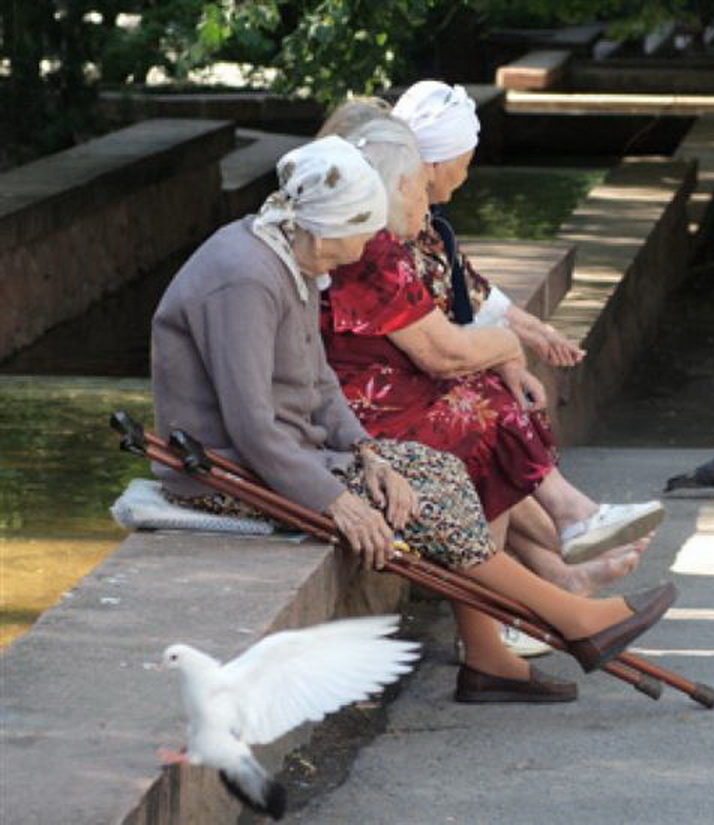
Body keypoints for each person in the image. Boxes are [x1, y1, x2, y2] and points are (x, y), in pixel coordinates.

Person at [150, 135, 677, 702]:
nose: (373, 243)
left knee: (441, 473)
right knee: (430, 500)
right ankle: (574, 617)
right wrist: (335, 499)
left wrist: (366, 454)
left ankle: (513, 647)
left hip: (296, 449)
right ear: (333, 225)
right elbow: (252, 426)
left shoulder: (295, 252)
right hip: (231, 468)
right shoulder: (248, 277)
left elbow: (320, 381)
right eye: (365, 228)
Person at [321, 89, 664, 570]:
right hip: (351, 407)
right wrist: (509, 345)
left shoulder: (396, 229)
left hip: (372, 386)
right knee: (482, 417)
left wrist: (523, 339)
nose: (464, 175)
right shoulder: (378, 246)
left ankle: (560, 559)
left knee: (487, 403)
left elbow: (468, 290)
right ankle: (548, 563)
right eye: (459, 162)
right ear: (413, 175)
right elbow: (443, 351)